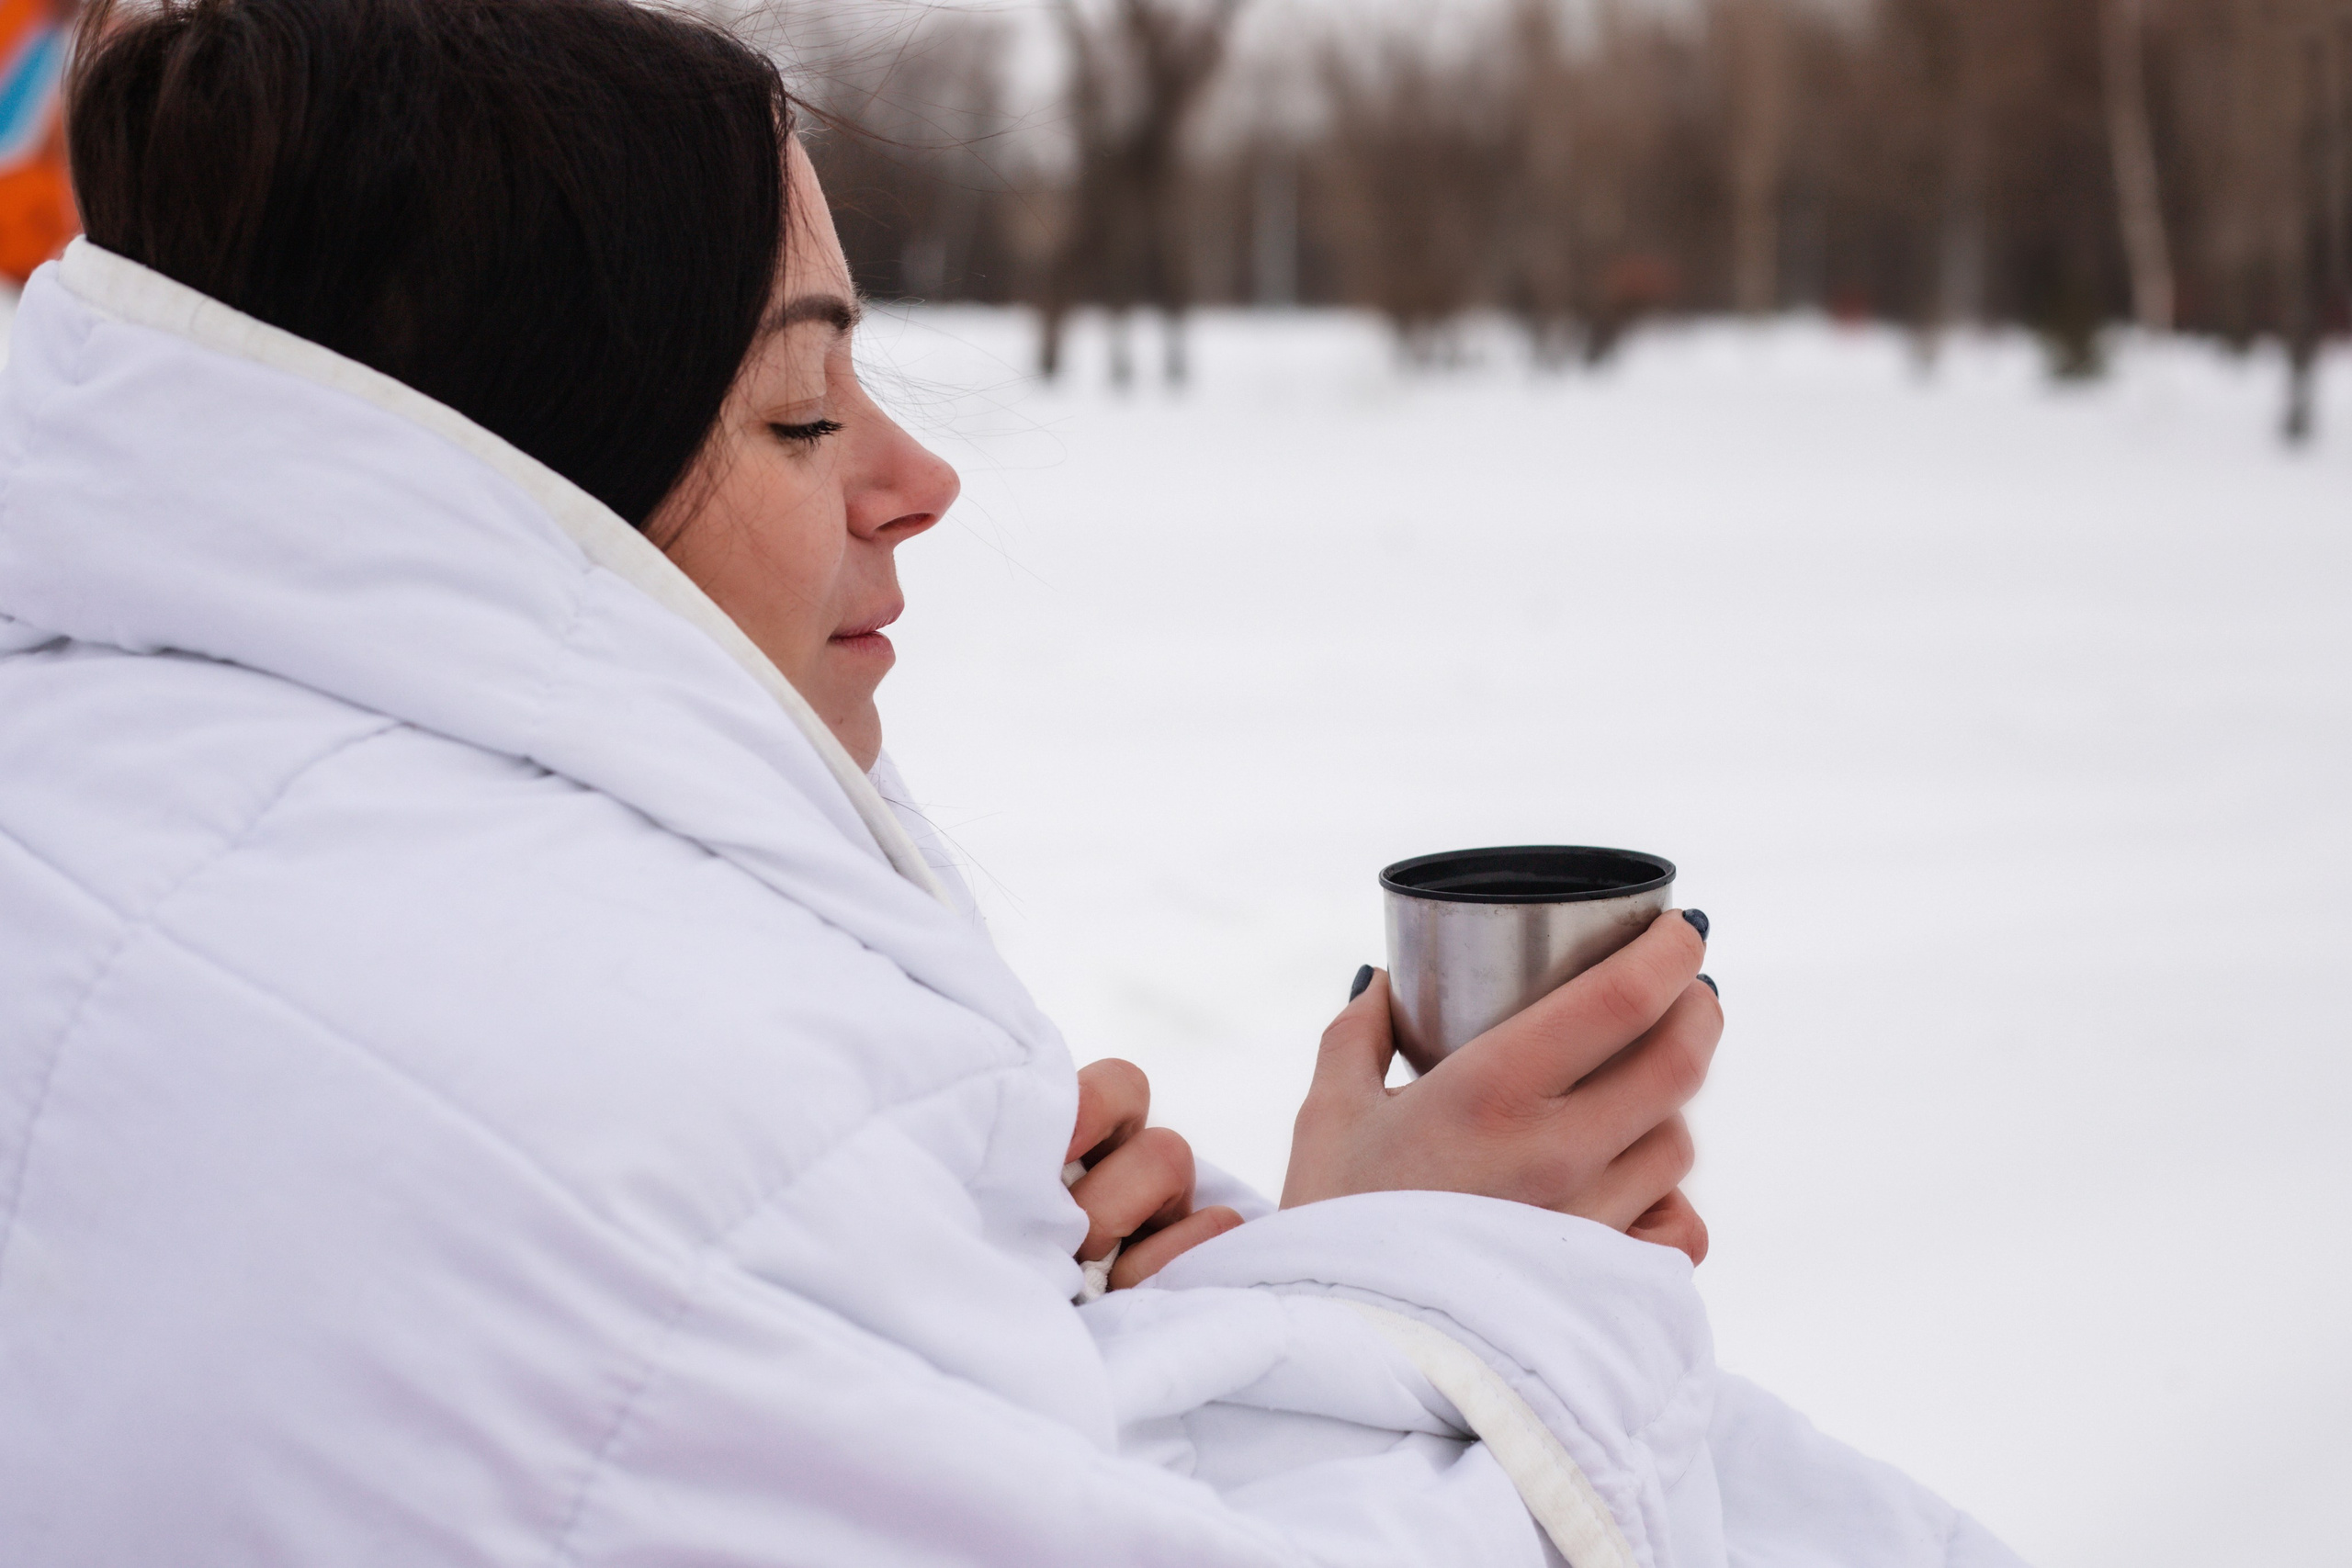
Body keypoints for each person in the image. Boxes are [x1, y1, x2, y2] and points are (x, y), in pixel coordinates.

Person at [0, 2, 2024, 1563]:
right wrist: (1463, 1280)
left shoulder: (111, 765)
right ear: (510, 467)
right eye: (801, 410)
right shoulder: (649, 1110)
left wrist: (1044, 1318)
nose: (916, 477)